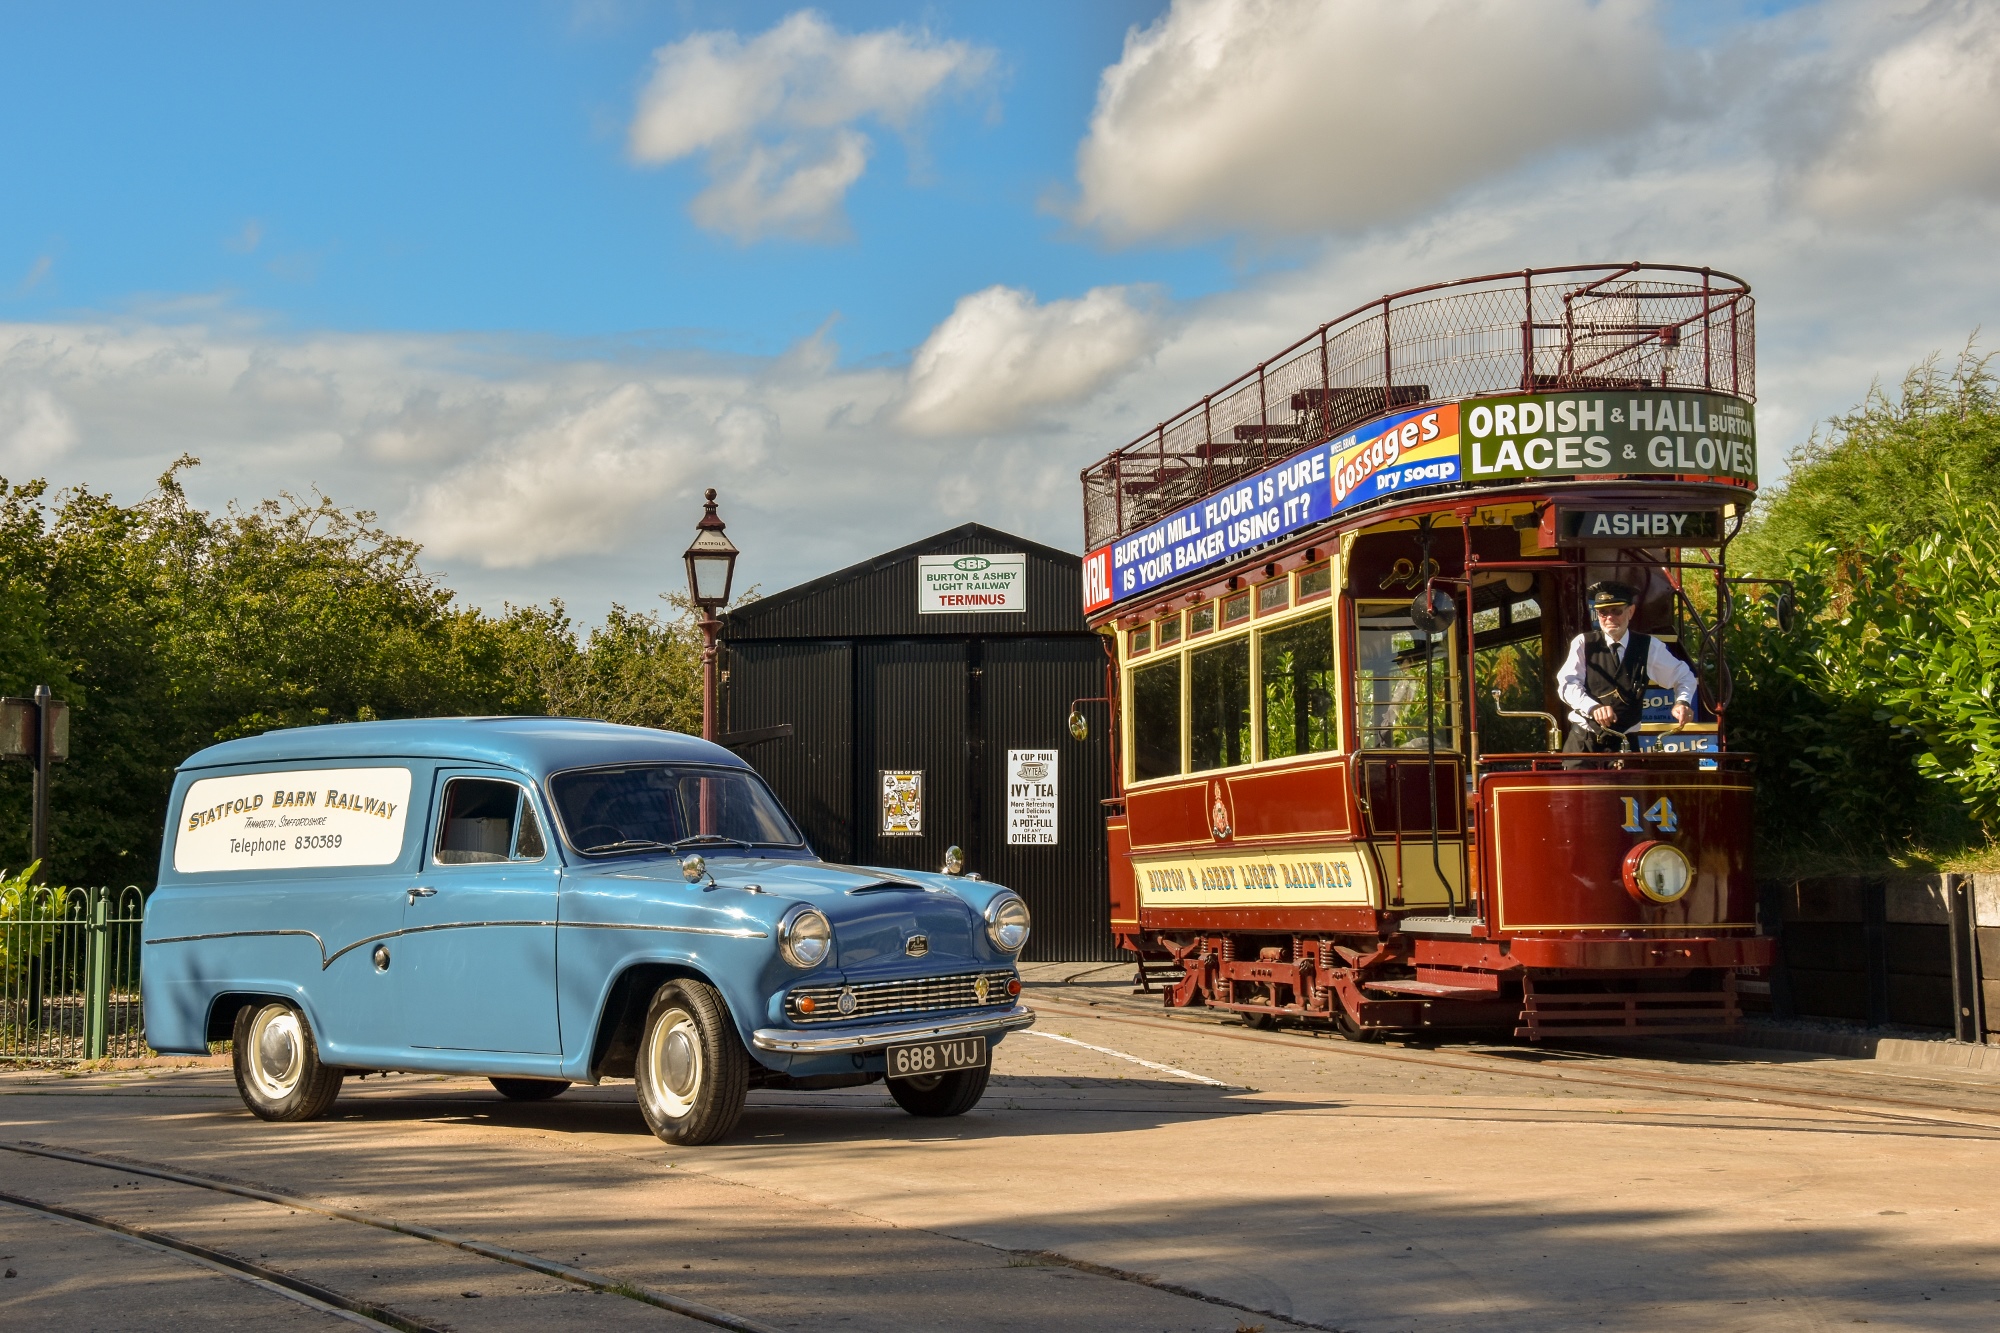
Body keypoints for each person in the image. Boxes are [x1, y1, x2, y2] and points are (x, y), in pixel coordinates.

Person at [1556, 581, 1697, 753]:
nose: (1609, 617)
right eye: (1603, 612)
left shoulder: (1648, 646)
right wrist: (1592, 707)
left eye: (1616, 611)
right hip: (1584, 745)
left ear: (1631, 611)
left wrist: (1682, 702)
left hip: (1627, 746)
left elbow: (1684, 676)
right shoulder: (1583, 643)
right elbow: (1567, 684)